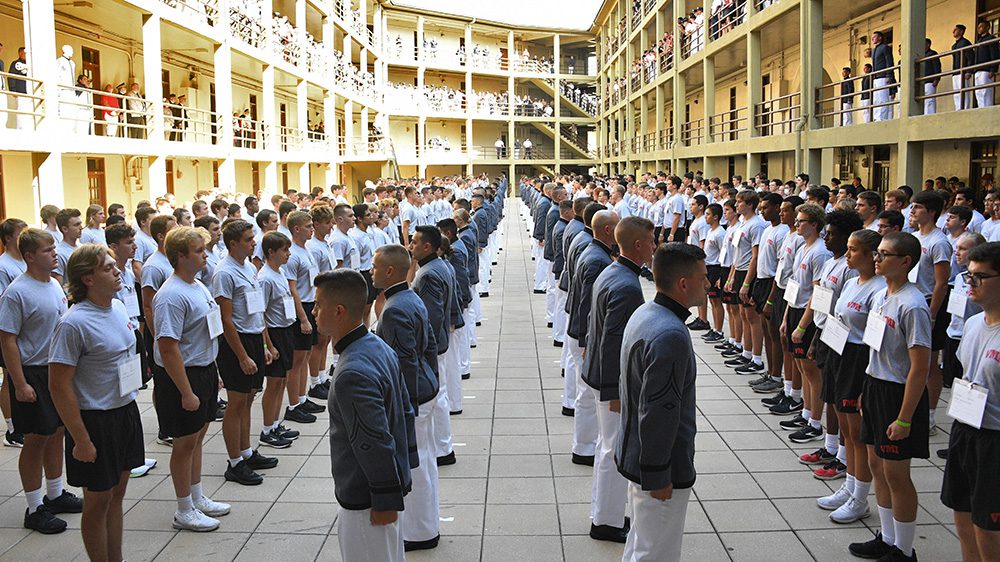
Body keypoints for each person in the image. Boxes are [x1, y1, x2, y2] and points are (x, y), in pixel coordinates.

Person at [48, 244, 144, 561]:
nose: (117, 270)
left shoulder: (116, 307)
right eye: (107, 268)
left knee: (117, 495)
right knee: (98, 501)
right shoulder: (73, 323)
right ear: (88, 278)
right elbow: (59, 385)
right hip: (95, 420)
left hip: (125, 412)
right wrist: (81, 438)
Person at [315, 268, 413, 562]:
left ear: (339, 311)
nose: (314, 310)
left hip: (366, 501)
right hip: (381, 491)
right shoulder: (376, 345)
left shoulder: (352, 372)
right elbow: (405, 413)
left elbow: (374, 442)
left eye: (319, 304)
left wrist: (384, 499)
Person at [617, 242, 706, 562]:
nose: (708, 284)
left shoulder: (648, 312)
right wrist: (659, 474)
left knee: (642, 543)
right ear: (684, 284)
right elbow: (658, 411)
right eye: (703, 277)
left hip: (637, 454)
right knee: (657, 552)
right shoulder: (670, 332)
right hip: (658, 465)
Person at [848, 232, 931, 562]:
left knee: (897, 474)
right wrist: (865, 392)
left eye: (884, 254)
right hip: (875, 386)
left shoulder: (913, 305)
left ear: (906, 262)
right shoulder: (883, 294)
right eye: (877, 253)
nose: (877, 258)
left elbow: (919, 368)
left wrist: (905, 417)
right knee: (876, 465)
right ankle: (887, 536)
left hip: (898, 394)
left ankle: (904, 549)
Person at [0, 228, 80, 534]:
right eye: (47, 250)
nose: (54, 253)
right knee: (35, 439)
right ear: (30, 256)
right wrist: (20, 383)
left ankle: (56, 493)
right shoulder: (17, 292)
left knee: (57, 432)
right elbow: (7, 339)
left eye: (53, 248)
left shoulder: (55, 284)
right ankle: (34, 507)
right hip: (33, 370)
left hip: (56, 370)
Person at [152, 226, 230, 532]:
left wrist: (215, 372)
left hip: (203, 369)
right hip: (183, 376)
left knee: (198, 438)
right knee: (184, 444)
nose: (205, 255)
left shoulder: (197, 286)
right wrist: (186, 391)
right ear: (181, 256)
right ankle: (184, 509)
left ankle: (197, 496)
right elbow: (168, 347)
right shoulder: (171, 295)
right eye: (199, 251)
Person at [582, 216, 654, 544]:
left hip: (598, 372)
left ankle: (604, 512)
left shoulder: (615, 271)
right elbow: (614, 340)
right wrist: (614, 389)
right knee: (612, 449)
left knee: (605, 446)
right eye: (651, 242)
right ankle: (607, 522)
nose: (654, 248)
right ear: (638, 245)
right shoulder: (626, 283)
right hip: (608, 379)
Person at [372, 245, 440, 552]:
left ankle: (419, 531)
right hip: (424, 388)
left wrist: (405, 407)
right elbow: (428, 347)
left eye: (375, 267)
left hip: (414, 395)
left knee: (415, 465)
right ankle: (424, 526)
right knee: (424, 461)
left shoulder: (396, 306)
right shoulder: (406, 296)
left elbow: (405, 362)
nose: (371, 272)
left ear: (389, 271)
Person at [815, 229, 885, 523]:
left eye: (854, 250)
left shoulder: (878, 290)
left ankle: (860, 498)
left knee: (857, 434)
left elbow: (874, 340)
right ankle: (850, 486)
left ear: (871, 255)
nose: (848, 254)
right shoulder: (853, 282)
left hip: (858, 359)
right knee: (845, 428)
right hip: (839, 352)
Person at [941, 241, 1000, 561]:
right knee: (962, 520)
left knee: (988, 532)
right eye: (969, 276)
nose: (970, 283)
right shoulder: (975, 323)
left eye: (980, 277)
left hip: (994, 440)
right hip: (965, 429)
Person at [213, 219, 278, 486]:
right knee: (236, 403)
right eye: (249, 239)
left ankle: (246, 451)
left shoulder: (249, 267)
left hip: (253, 339)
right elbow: (226, 319)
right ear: (233, 244)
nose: (255, 242)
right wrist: (242, 355)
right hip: (235, 343)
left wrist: (264, 345)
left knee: (249, 399)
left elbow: (256, 310)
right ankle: (234, 462)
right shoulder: (224, 273)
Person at [779, 204, 833, 442]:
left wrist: (802, 325)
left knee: (811, 371)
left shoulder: (820, 252)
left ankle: (814, 422)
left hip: (807, 316)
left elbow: (817, 293)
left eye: (801, 221)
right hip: (795, 310)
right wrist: (786, 317)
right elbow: (795, 283)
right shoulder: (803, 246)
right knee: (801, 366)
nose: (797, 223)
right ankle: (806, 412)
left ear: (814, 224)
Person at [409, 225, 455, 466]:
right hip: (438, 344)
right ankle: (443, 446)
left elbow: (431, 316)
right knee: (440, 394)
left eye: (415, 242)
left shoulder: (427, 274)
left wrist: (425, 349)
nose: (411, 246)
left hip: (433, 347)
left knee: (436, 397)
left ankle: (442, 448)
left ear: (427, 246)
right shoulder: (437, 266)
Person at [255, 232, 298, 448]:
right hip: (274, 332)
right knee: (273, 384)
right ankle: (266, 430)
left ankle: (274, 424)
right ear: (271, 252)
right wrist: (268, 344)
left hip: (286, 329)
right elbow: (260, 314)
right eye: (285, 250)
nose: (288, 254)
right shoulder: (264, 278)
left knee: (281, 381)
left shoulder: (279, 272)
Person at [282, 211, 325, 424]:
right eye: (308, 226)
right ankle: (293, 405)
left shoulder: (305, 250)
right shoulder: (292, 254)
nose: (312, 228)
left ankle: (301, 397)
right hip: (301, 308)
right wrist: (303, 318)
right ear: (296, 229)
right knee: (297, 360)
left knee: (306, 355)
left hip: (310, 304)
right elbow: (293, 289)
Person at [0, 218, 27, 447]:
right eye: (21, 234)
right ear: (9, 238)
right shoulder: (4, 266)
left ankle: (23, 422)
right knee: (10, 376)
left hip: (28, 331)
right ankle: (12, 428)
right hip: (11, 329)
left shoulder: (25, 261)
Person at [54, 208, 83, 284]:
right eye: (76, 225)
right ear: (65, 229)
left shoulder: (81, 247)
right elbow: (59, 284)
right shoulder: (59, 253)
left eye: (80, 223)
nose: (81, 227)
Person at [974, 20, 998, 109]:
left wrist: (993, 69)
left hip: (986, 70)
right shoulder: (978, 41)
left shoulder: (991, 38)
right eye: (978, 27)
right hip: (978, 69)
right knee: (978, 92)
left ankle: (987, 109)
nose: (978, 29)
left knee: (986, 92)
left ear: (987, 27)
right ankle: (981, 109)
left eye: (981, 26)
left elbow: (994, 54)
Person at [952, 24, 974, 111]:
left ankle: (965, 109)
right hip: (955, 72)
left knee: (964, 92)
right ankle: (958, 109)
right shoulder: (954, 46)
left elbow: (970, 57)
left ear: (961, 31)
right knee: (956, 93)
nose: (953, 31)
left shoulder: (965, 42)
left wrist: (968, 71)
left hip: (963, 72)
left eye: (956, 30)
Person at [921, 39, 941, 115]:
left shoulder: (932, 53)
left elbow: (937, 67)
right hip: (922, 82)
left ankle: (929, 116)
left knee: (930, 100)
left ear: (928, 44)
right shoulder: (922, 55)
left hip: (930, 81)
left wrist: (936, 79)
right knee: (924, 101)